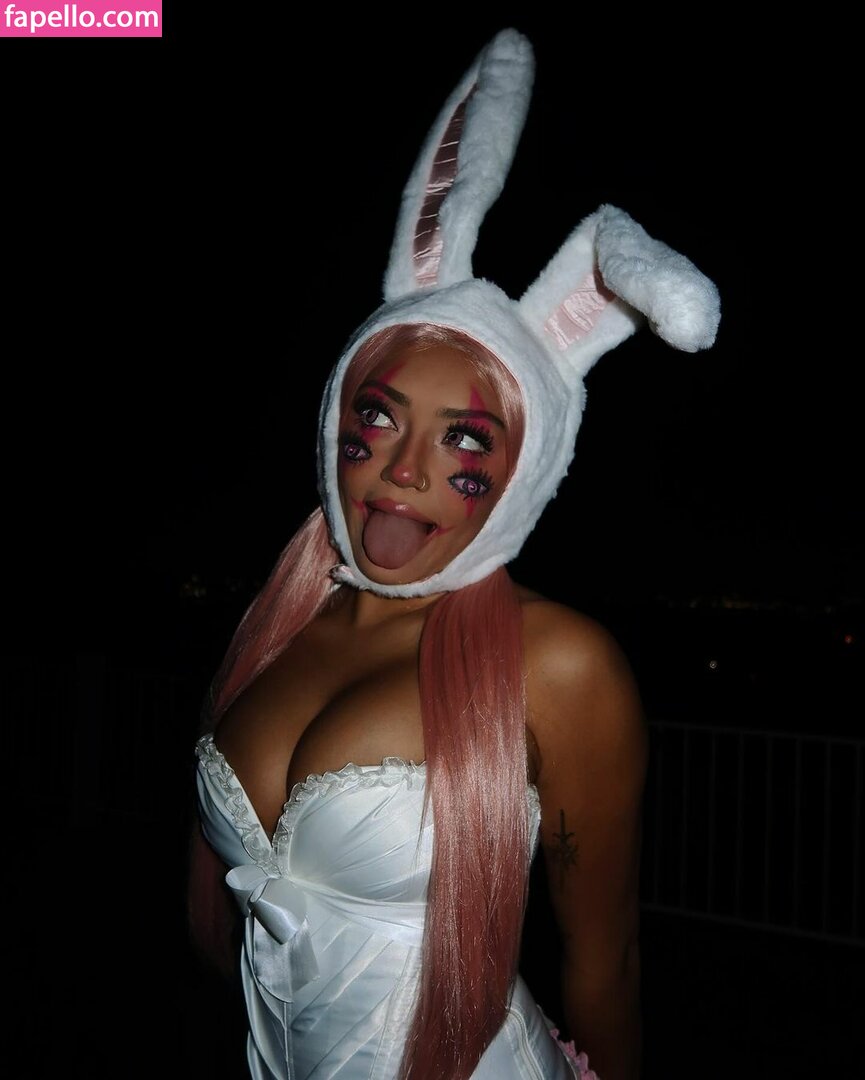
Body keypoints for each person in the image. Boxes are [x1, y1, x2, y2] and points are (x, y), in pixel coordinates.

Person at [188, 28, 720, 1080]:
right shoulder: (279, 624)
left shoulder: (557, 664)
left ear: (523, 473)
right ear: (335, 423)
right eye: (377, 420)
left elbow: (605, 964)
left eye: (464, 444)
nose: (403, 469)